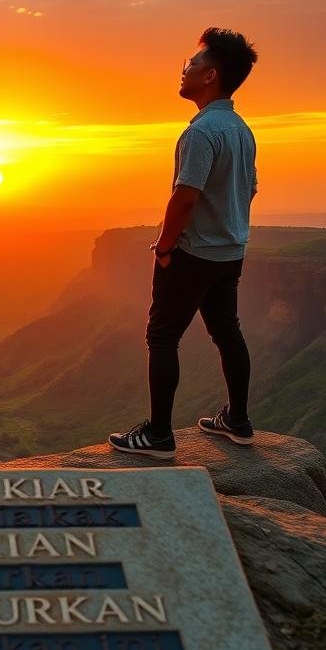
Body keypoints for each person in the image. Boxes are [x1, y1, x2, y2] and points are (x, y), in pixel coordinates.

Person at [109, 27, 259, 460]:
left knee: (162, 336)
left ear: (210, 75)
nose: (184, 70)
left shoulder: (201, 132)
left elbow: (185, 196)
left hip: (194, 252)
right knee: (226, 330)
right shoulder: (241, 130)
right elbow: (249, 188)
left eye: (191, 64)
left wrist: (165, 245)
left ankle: (158, 435)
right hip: (230, 251)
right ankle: (238, 420)